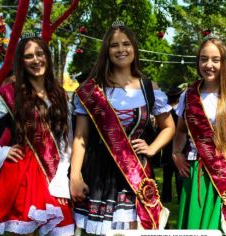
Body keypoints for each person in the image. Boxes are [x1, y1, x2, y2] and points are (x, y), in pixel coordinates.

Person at [70, 22, 175, 234]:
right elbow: (81, 136)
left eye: (126, 44)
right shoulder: (92, 89)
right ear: (106, 52)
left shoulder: (149, 87)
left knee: (135, 230)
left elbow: (169, 127)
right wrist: (75, 176)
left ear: (134, 48)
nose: (121, 50)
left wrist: (152, 148)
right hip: (100, 173)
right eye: (114, 45)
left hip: (136, 171)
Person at [0, 36, 74, 235]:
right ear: (21, 62)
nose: (35, 60)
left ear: (47, 57)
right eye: (28, 56)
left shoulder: (59, 93)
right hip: (23, 174)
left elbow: (66, 139)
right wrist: (0, 152)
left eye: (40, 54)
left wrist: (65, 176)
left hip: (56, 172)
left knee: (63, 230)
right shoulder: (10, 94)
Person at [172, 36, 226, 235]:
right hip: (196, 175)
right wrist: (176, 153)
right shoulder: (188, 95)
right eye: (203, 59)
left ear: (224, 63)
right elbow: (181, 131)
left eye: (215, 60)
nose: (208, 65)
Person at [161, 86, 184, 203]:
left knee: (167, 175)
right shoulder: (181, 112)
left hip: (167, 146)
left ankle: (166, 197)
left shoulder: (165, 113)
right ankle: (181, 197)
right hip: (179, 146)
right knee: (179, 175)